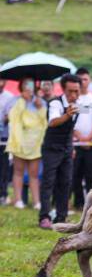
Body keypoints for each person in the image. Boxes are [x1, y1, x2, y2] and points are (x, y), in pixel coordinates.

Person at [39, 74, 82, 229]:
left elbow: (71, 128)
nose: (74, 95)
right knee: (48, 182)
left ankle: (61, 218)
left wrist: (72, 147)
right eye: (71, 91)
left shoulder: (79, 104)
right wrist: (67, 115)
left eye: (77, 91)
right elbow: (53, 122)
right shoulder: (55, 103)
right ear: (63, 89)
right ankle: (44, 217)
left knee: (65, 183)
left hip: (66, 148)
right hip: (51, 148)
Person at [6, 78, 47, 209]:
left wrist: (40, 107)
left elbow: (44, 122)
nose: (28, 87)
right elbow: (10, 117)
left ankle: (36, 201)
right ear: (21, 85)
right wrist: (22, 102)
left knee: (34, 174)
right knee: (18, 171)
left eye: (30, 84)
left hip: (35, 143)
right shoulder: (16, 100)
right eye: (25, 84)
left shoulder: (41, 102)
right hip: (19, 141)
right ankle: (18, 199)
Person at [72, 67, 92, 210]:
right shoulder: (73, 99)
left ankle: (91, 204)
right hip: (76, 143)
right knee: (75, 174)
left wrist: (89, 138)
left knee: (90, 175)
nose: (83, 82)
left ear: (89, 81)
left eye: (85, 79)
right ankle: (78, 203)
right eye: (80, 79)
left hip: (91, 143)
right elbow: (70, 121)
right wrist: (80, 138)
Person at [0, 79, 15, 205]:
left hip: (4, 137)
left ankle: (3, 194)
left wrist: (7, 117)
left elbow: (11, 116)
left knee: (3, 167)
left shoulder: (10, 97)